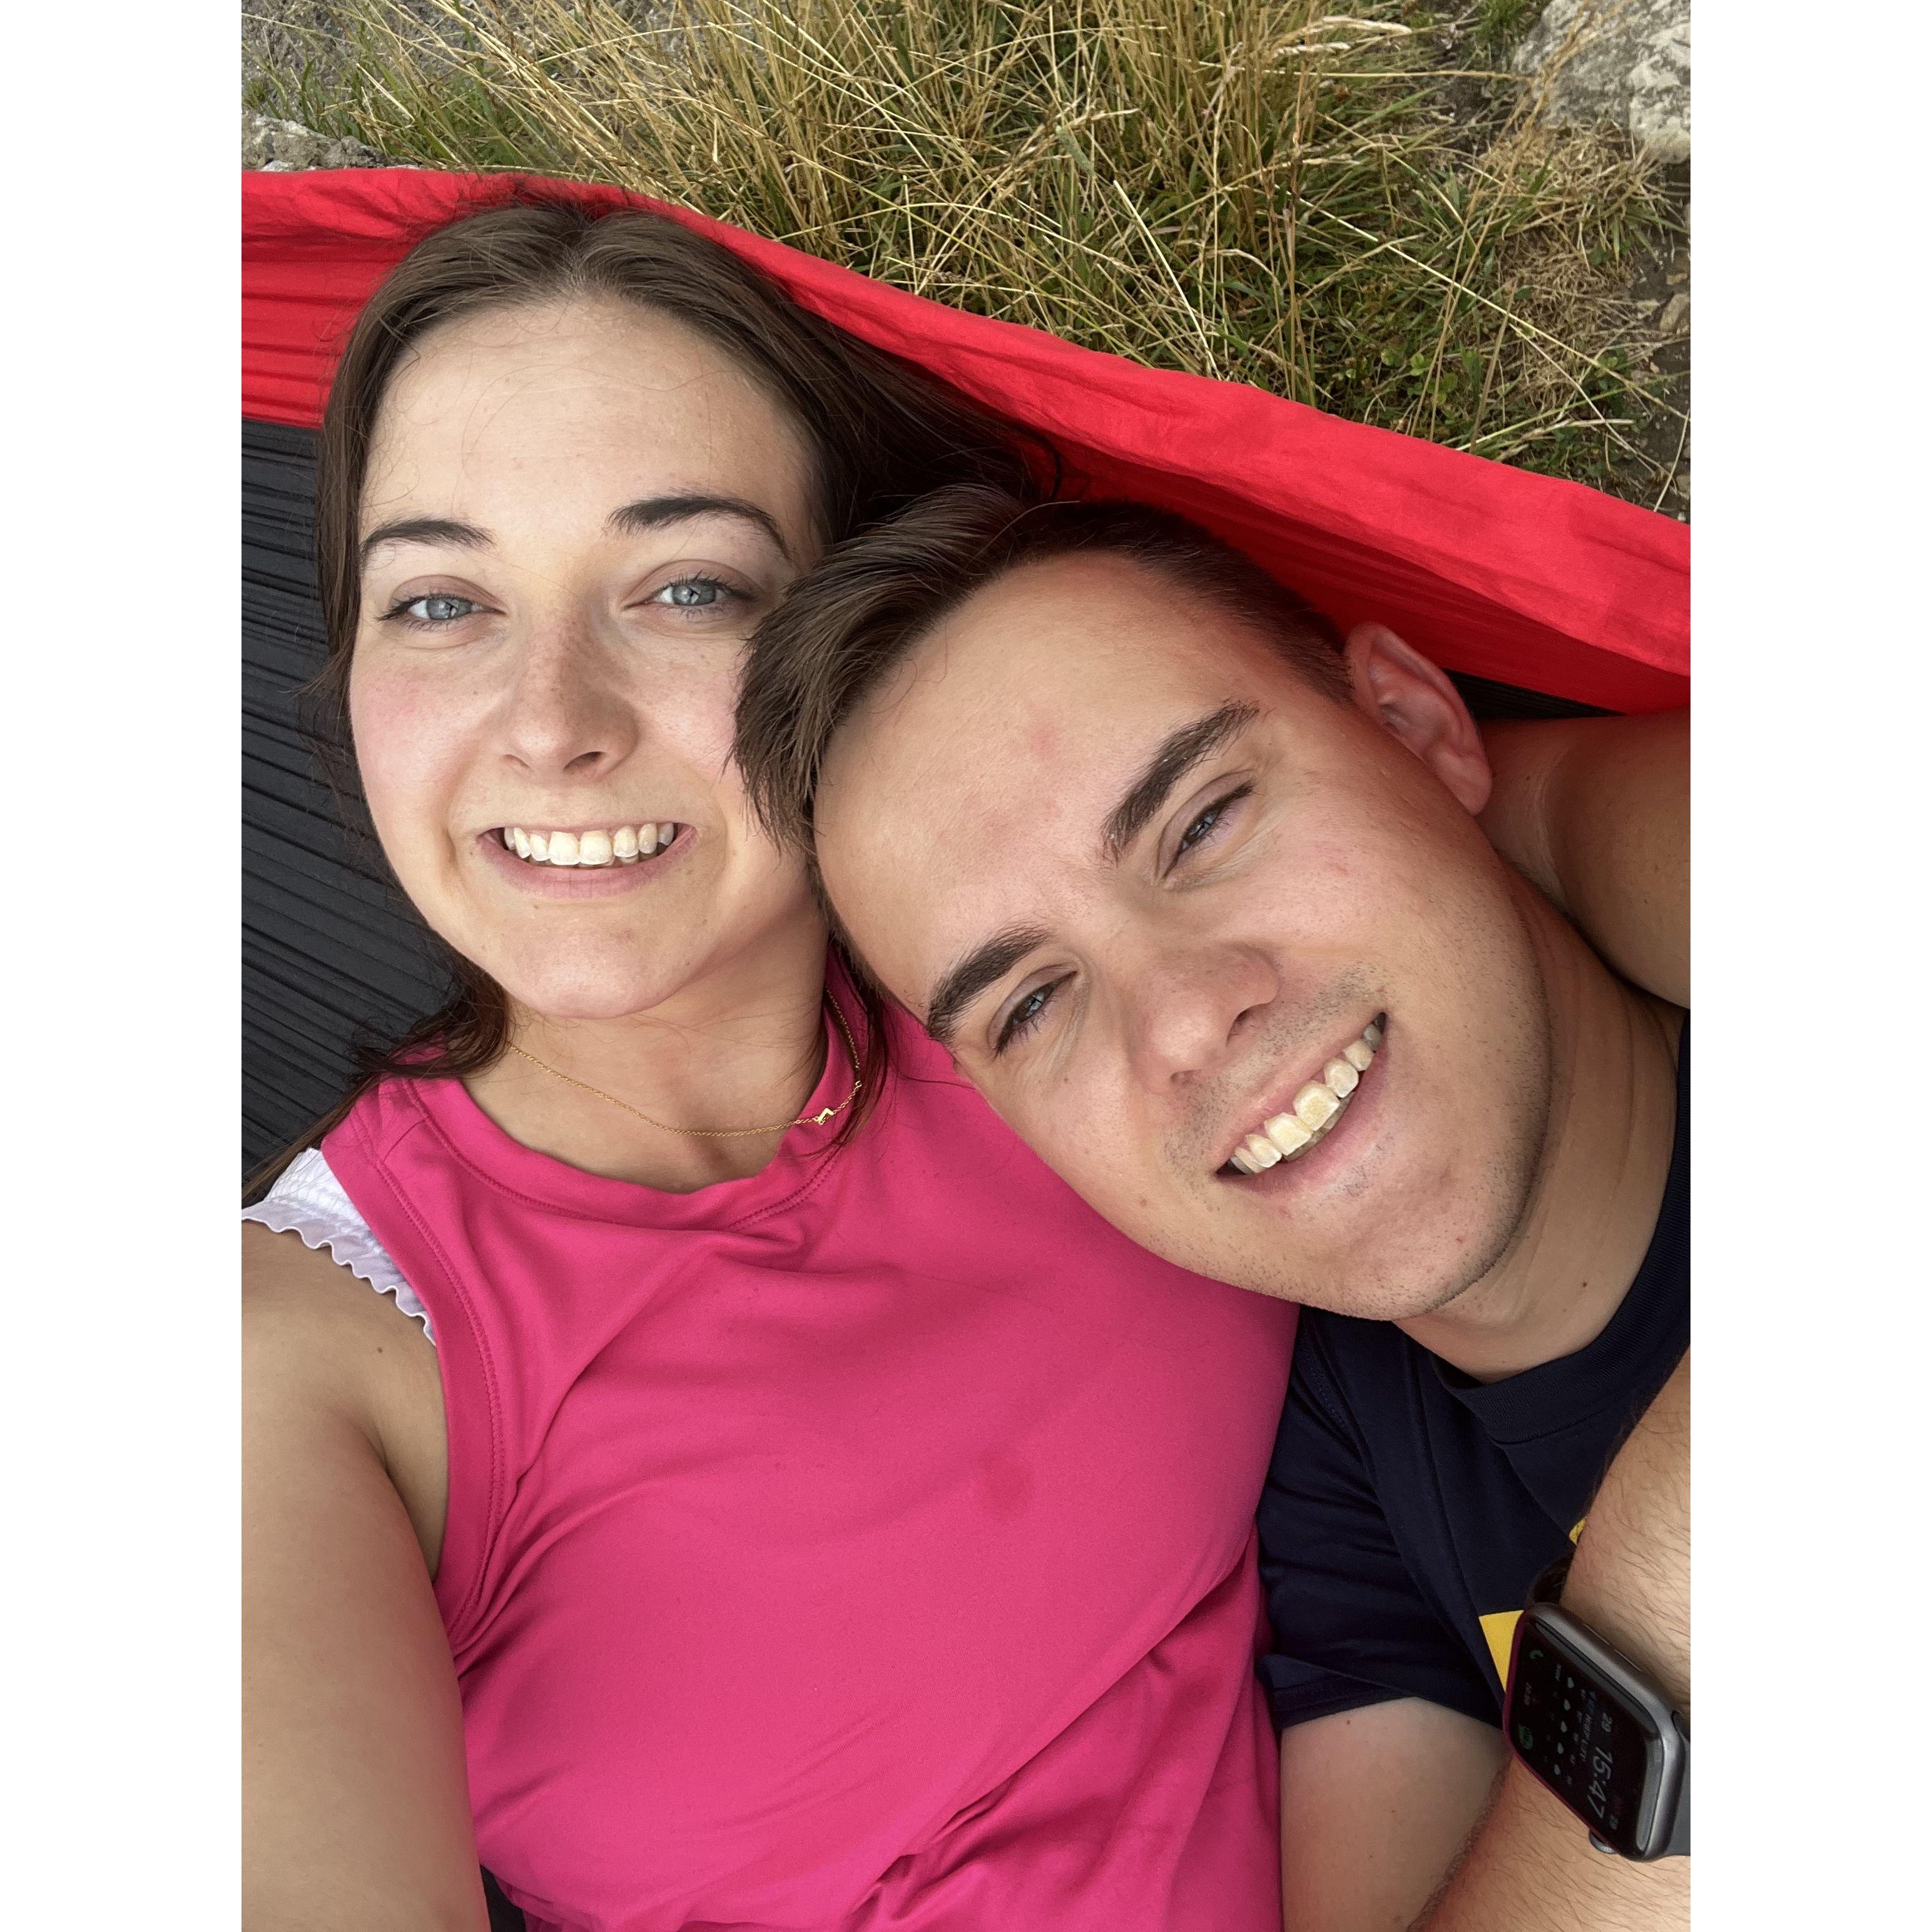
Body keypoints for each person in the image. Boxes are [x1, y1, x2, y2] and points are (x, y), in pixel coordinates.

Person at [242, 200, 1309, 1932]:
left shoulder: (1062, 954)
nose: (553, 721)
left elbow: (1547, 834)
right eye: (438, 600)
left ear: (850, 615)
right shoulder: (290, 1366)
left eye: (688, 587)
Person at [735, 485, 1690, 1931]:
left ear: (1418, 728)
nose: (1182, 1019)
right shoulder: (1334, 1464)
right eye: (1032, 1002)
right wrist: (1659, 1643)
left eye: (1202, 821)